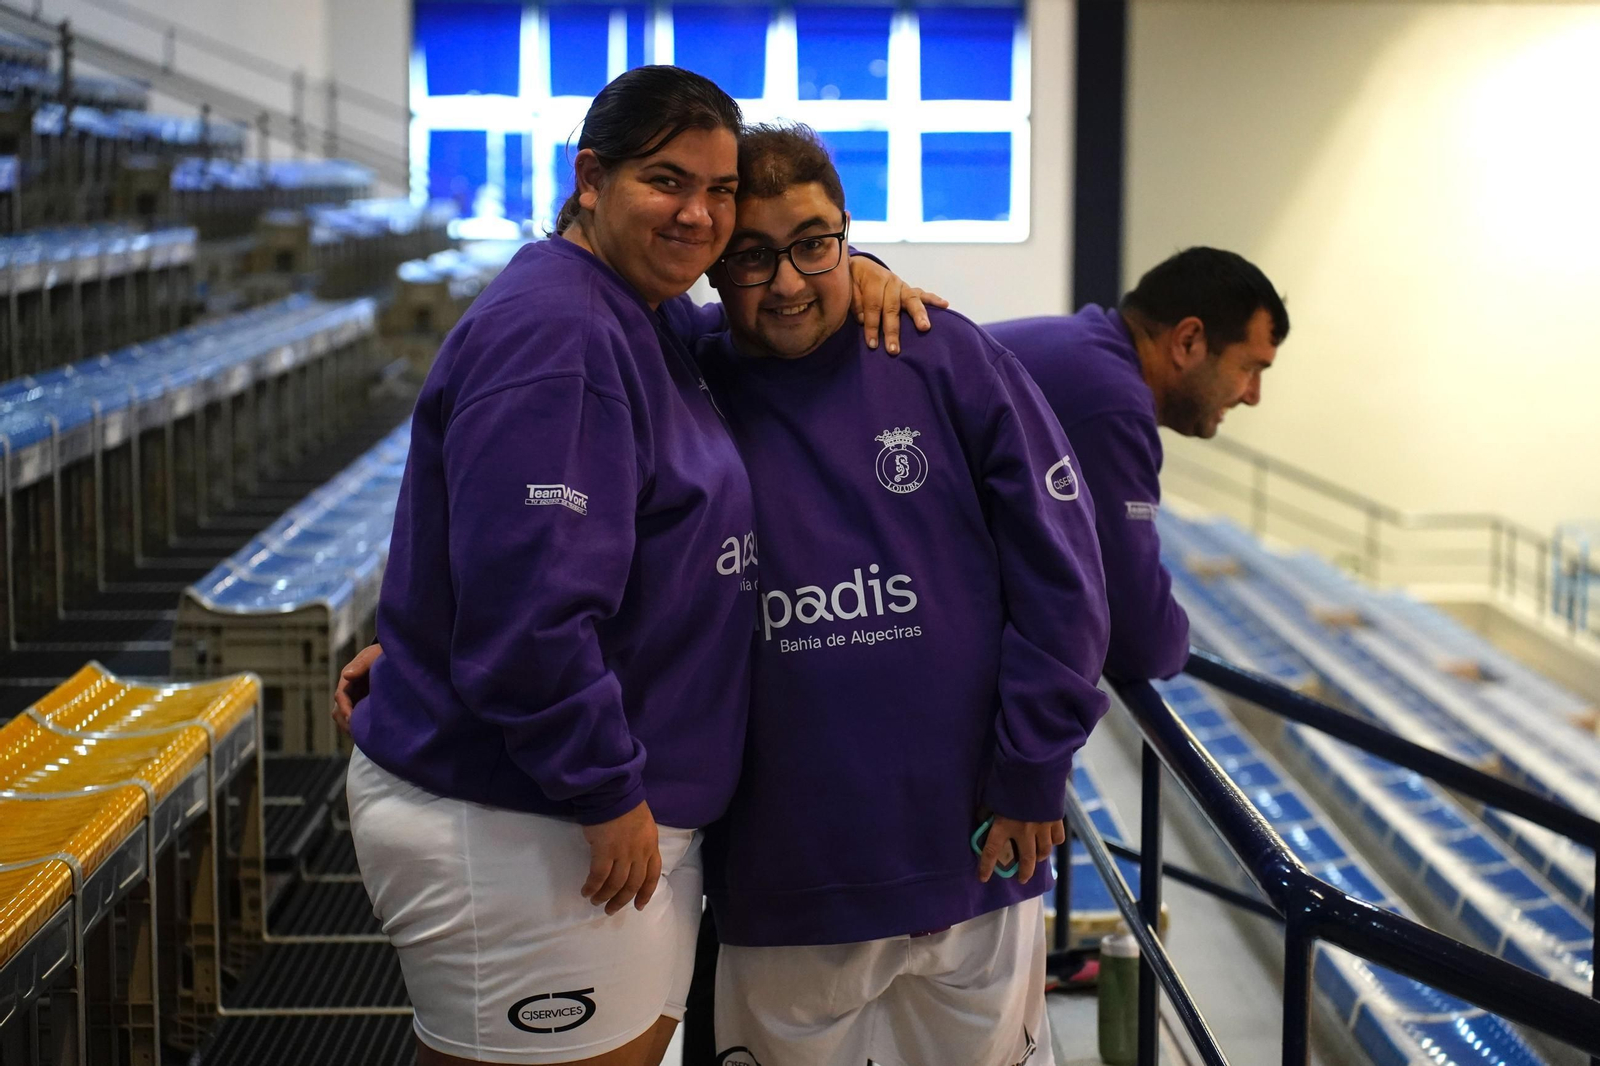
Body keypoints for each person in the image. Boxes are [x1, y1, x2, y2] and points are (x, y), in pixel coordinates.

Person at [341, 69, 940, 1066]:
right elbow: (526, 613)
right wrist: (604, 786)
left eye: (719, 192)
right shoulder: (562, 333)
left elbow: (759, 318)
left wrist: (854, 269)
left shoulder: (637, 313)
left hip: (585, 821)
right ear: (591, 179)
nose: (699, 214)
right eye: (667, 182)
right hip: (535, 822)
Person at [697, 124, 1109, 1066]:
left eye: (815, 243)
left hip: (971, 852)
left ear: (849, 232)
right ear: (715, 269)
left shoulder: (941, 354)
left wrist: (1033, 768)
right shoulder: (684, 376)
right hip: (785, 872)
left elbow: (1063, 577)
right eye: (753, 257)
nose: (791, 281)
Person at [988, 249, 1289, 683]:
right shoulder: (1110, 402)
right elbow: (1142, 638)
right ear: (1188, 341)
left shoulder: (1084, 351)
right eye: (1249, 367)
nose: (1253, 394)